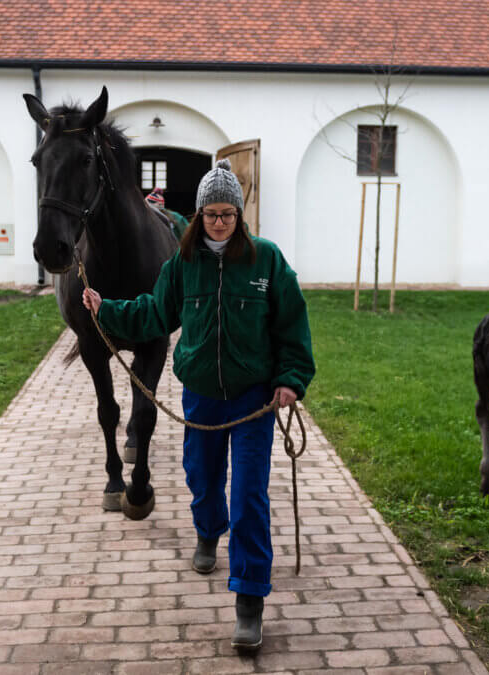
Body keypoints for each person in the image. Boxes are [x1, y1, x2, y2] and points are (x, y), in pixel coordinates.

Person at [83, 159, 315, 650]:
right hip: (203, 397)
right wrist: (108, 309)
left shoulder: (266, 261)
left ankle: (249, 601)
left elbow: (292, 324)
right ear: (200, 212)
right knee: (203, 478)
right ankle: (208, 531)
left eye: (228, 213)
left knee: (250, 495)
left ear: (239, 214)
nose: (219, 222)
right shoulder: (182, 264)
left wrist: (291, 379)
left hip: (254, 398)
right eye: (211, 213)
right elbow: (154, 312)